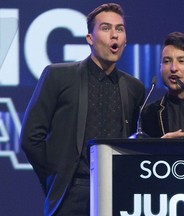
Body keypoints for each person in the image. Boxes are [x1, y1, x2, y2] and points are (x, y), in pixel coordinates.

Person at [20, 3, 145, 216]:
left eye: (120, 29)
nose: (114, 35)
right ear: (90, 38)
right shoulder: (58, 76)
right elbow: (31, 138)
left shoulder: (134, 88)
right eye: (106, 28)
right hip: (72, 191)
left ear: (125, 41)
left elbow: (134, 141)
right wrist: (56, 179)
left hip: (117, 193)